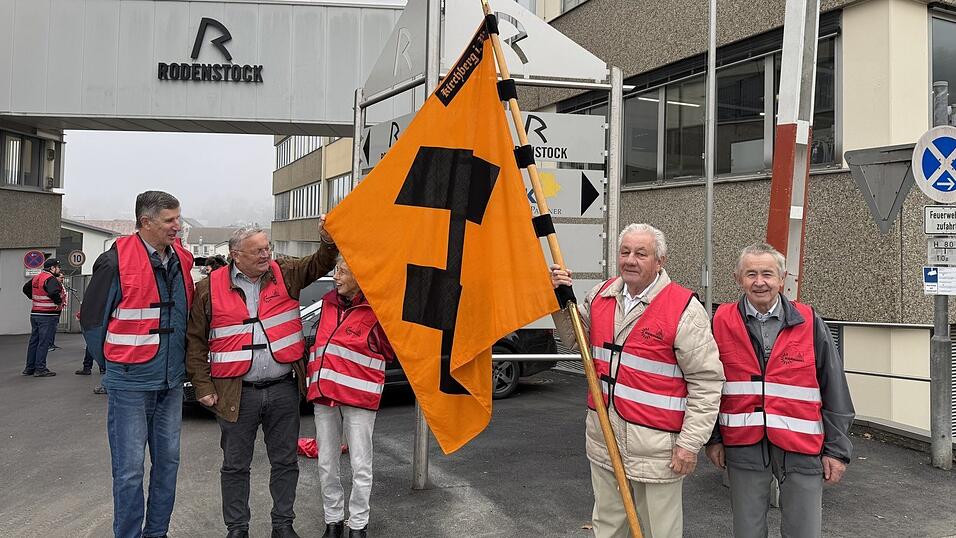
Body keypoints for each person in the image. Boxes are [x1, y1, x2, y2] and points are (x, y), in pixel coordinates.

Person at [550, 223, 725, 538]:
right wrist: (560, 299)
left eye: (641, 254)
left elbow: (707, 383)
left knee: (659, 531)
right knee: (609, 527)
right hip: (605, 439)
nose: (630, 260)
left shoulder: (683, 309)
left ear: (660, 261)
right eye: (625, 252)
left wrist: (689, 444)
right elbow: (576, 340)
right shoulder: (601, 295)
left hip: (657, 450)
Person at [186, 220, 338, 538]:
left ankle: (283, 525)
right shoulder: (208, 288)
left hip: (283, 388)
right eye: (257, 251)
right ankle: (237, 529)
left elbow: (320, 263)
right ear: (235, 255)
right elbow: (195, 341)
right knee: (235, 466)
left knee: (285, 462)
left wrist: (328, 240)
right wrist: (202, 386)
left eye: (267, 248)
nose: (265, 255)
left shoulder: (285, 272)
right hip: (236, 392)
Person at [704, 242, 854, 538]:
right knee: (747, 531)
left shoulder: (810, 322)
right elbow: (708, 387)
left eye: (767, 274)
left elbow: (835, 388)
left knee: (804, 531)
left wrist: (837, 451)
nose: (759, 282)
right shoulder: (720, 322)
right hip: (743, 444)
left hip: (801, 445)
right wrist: (713, 439)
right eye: (751, 274)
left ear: (782, 278)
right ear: (738, 278)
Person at [80, 190, 195, 538]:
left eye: (178, 218)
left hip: (170, 382)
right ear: (145, 222)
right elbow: (93, 323)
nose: (177, 226)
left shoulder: (181, 260)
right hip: (130, 384)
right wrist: (116, 366)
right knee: (129, 471)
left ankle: (156, 533)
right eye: (170, 220)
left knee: (168, 464)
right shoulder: (114, 261)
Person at [306, 256, 395, 538]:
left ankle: (357, 526)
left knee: (360, 465)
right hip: (324, 394)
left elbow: (390, 352)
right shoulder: (328, 303)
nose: (335, 276)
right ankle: (333, 522)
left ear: (360, 276)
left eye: (342, 271)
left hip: (358, 397)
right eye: (336, 270)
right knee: (326, 462)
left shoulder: (377, 309)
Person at [21, 257, 65, 377]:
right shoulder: (51, 279)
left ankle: (29, 368)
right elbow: (53, 292)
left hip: (35, 313)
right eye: (58, 267)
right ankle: (40, 369)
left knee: (34, 341)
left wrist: (34, 298)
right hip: (47, 315)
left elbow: (25, 288)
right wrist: (58, 302)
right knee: (44, 342)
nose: (59, 269)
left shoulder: (37, 277)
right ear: (52, 268)